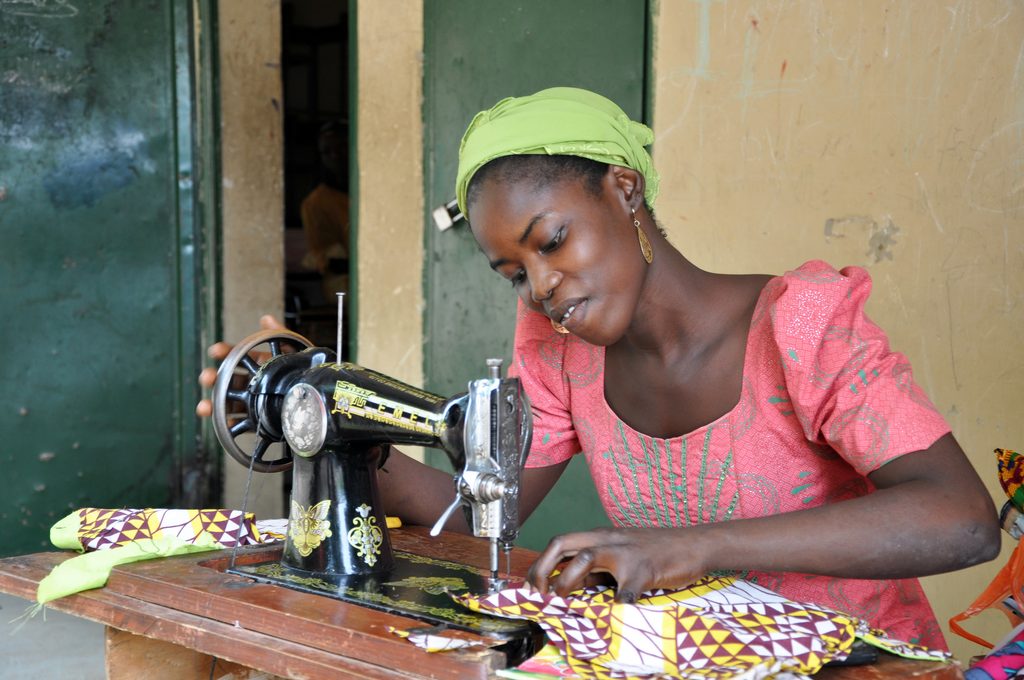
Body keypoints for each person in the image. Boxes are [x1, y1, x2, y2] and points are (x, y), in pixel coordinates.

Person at [199, 87, 999, 650]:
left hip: (858, 660)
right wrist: (328, 419)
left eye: (551, 242)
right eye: (514, 273)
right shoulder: (560, 352)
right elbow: (480, 504)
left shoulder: (801, 327)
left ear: (624, 190)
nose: (542, 286)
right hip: (681, 657)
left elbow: (962, 520)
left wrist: (691, 546)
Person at [300, 120, 350, 301]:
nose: (335, 155)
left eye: (343, 147)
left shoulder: (374, 192)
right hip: (345, 288)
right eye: (327, 151)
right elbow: (333, 262)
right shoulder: (316, 204)